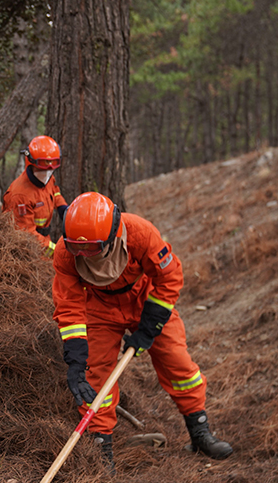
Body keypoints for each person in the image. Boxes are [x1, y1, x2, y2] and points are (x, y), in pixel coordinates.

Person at [52, 192, 232, 466]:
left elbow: (169, 277)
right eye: (78, 248)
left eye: (91, 248)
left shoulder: (140, 233)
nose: (83, 255)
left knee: (177, 362)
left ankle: (200, 431)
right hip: (99, 308)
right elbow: (69, 305)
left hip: (144, 300)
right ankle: (101, 448)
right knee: (94, 374)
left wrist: (149, 328)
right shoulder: (66, 254)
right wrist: (75, 359)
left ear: (112, 236)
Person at [2, 135, 68, 258]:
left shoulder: (48, 179)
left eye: (52, 164)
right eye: (44, 164)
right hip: (27, 250)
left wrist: (62, 207)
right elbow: (26, 234)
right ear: (31, 161)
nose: (48, 170)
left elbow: (54, 191)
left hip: (44, 239)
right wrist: (57, 251)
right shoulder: (20, 196)